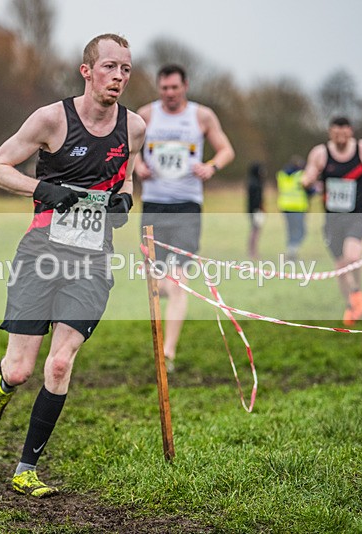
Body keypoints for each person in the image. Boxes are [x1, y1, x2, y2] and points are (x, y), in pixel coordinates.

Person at [0, 33, 145, 498]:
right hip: (41, 254)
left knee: (60, 364)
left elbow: (125, 174)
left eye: (126, 69)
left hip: (92, 260)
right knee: (20, 370)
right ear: (87, 71)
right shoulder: (51, 118)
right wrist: (41, 190)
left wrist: (124, 200)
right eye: (110, 67)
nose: (119, 77)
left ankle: (26, 468)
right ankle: (3, 386)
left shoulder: (135, 127)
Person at [133, 64, 235, 371]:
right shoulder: (146, 114)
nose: (169, 93)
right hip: (153, 204)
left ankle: (168, 352)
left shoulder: (202, 116)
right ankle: (166, 303)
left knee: (177, 281)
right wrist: (137, 165)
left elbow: (226, 150)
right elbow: (129, 147)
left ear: (185, 86)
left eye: (174, 88)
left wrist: (211, 167)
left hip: (187, 206)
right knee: (155, 281)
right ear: (158, 88)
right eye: (164, 88)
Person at [301, 117, 362, 326]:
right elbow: (310, 173)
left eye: (344, 133)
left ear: (351, 132)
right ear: (330, 133)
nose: (340, 137)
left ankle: (356, 293)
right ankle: (351, 304)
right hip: (333, 217)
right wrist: (307, 180)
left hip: (359, 213)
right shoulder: (320, 153)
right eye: (336, 133)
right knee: (340, 266)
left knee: (352, 256)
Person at [276, 155, 310, 261]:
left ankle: (291, 250)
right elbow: (309, 190)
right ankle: (293, 249)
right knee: (301, 231)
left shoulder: (281, 175)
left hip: (285, 206)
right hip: (298, 207)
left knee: (290, 230)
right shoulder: (301, 175)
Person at [247, 162, 266, 260]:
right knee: (255, 231)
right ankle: (252, 252)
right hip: (256, 211)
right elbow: (256, 199)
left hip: (254, 210)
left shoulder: (253, 182)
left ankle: (253, 251)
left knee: (255, 231)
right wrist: (259, 209)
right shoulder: (255, 184)